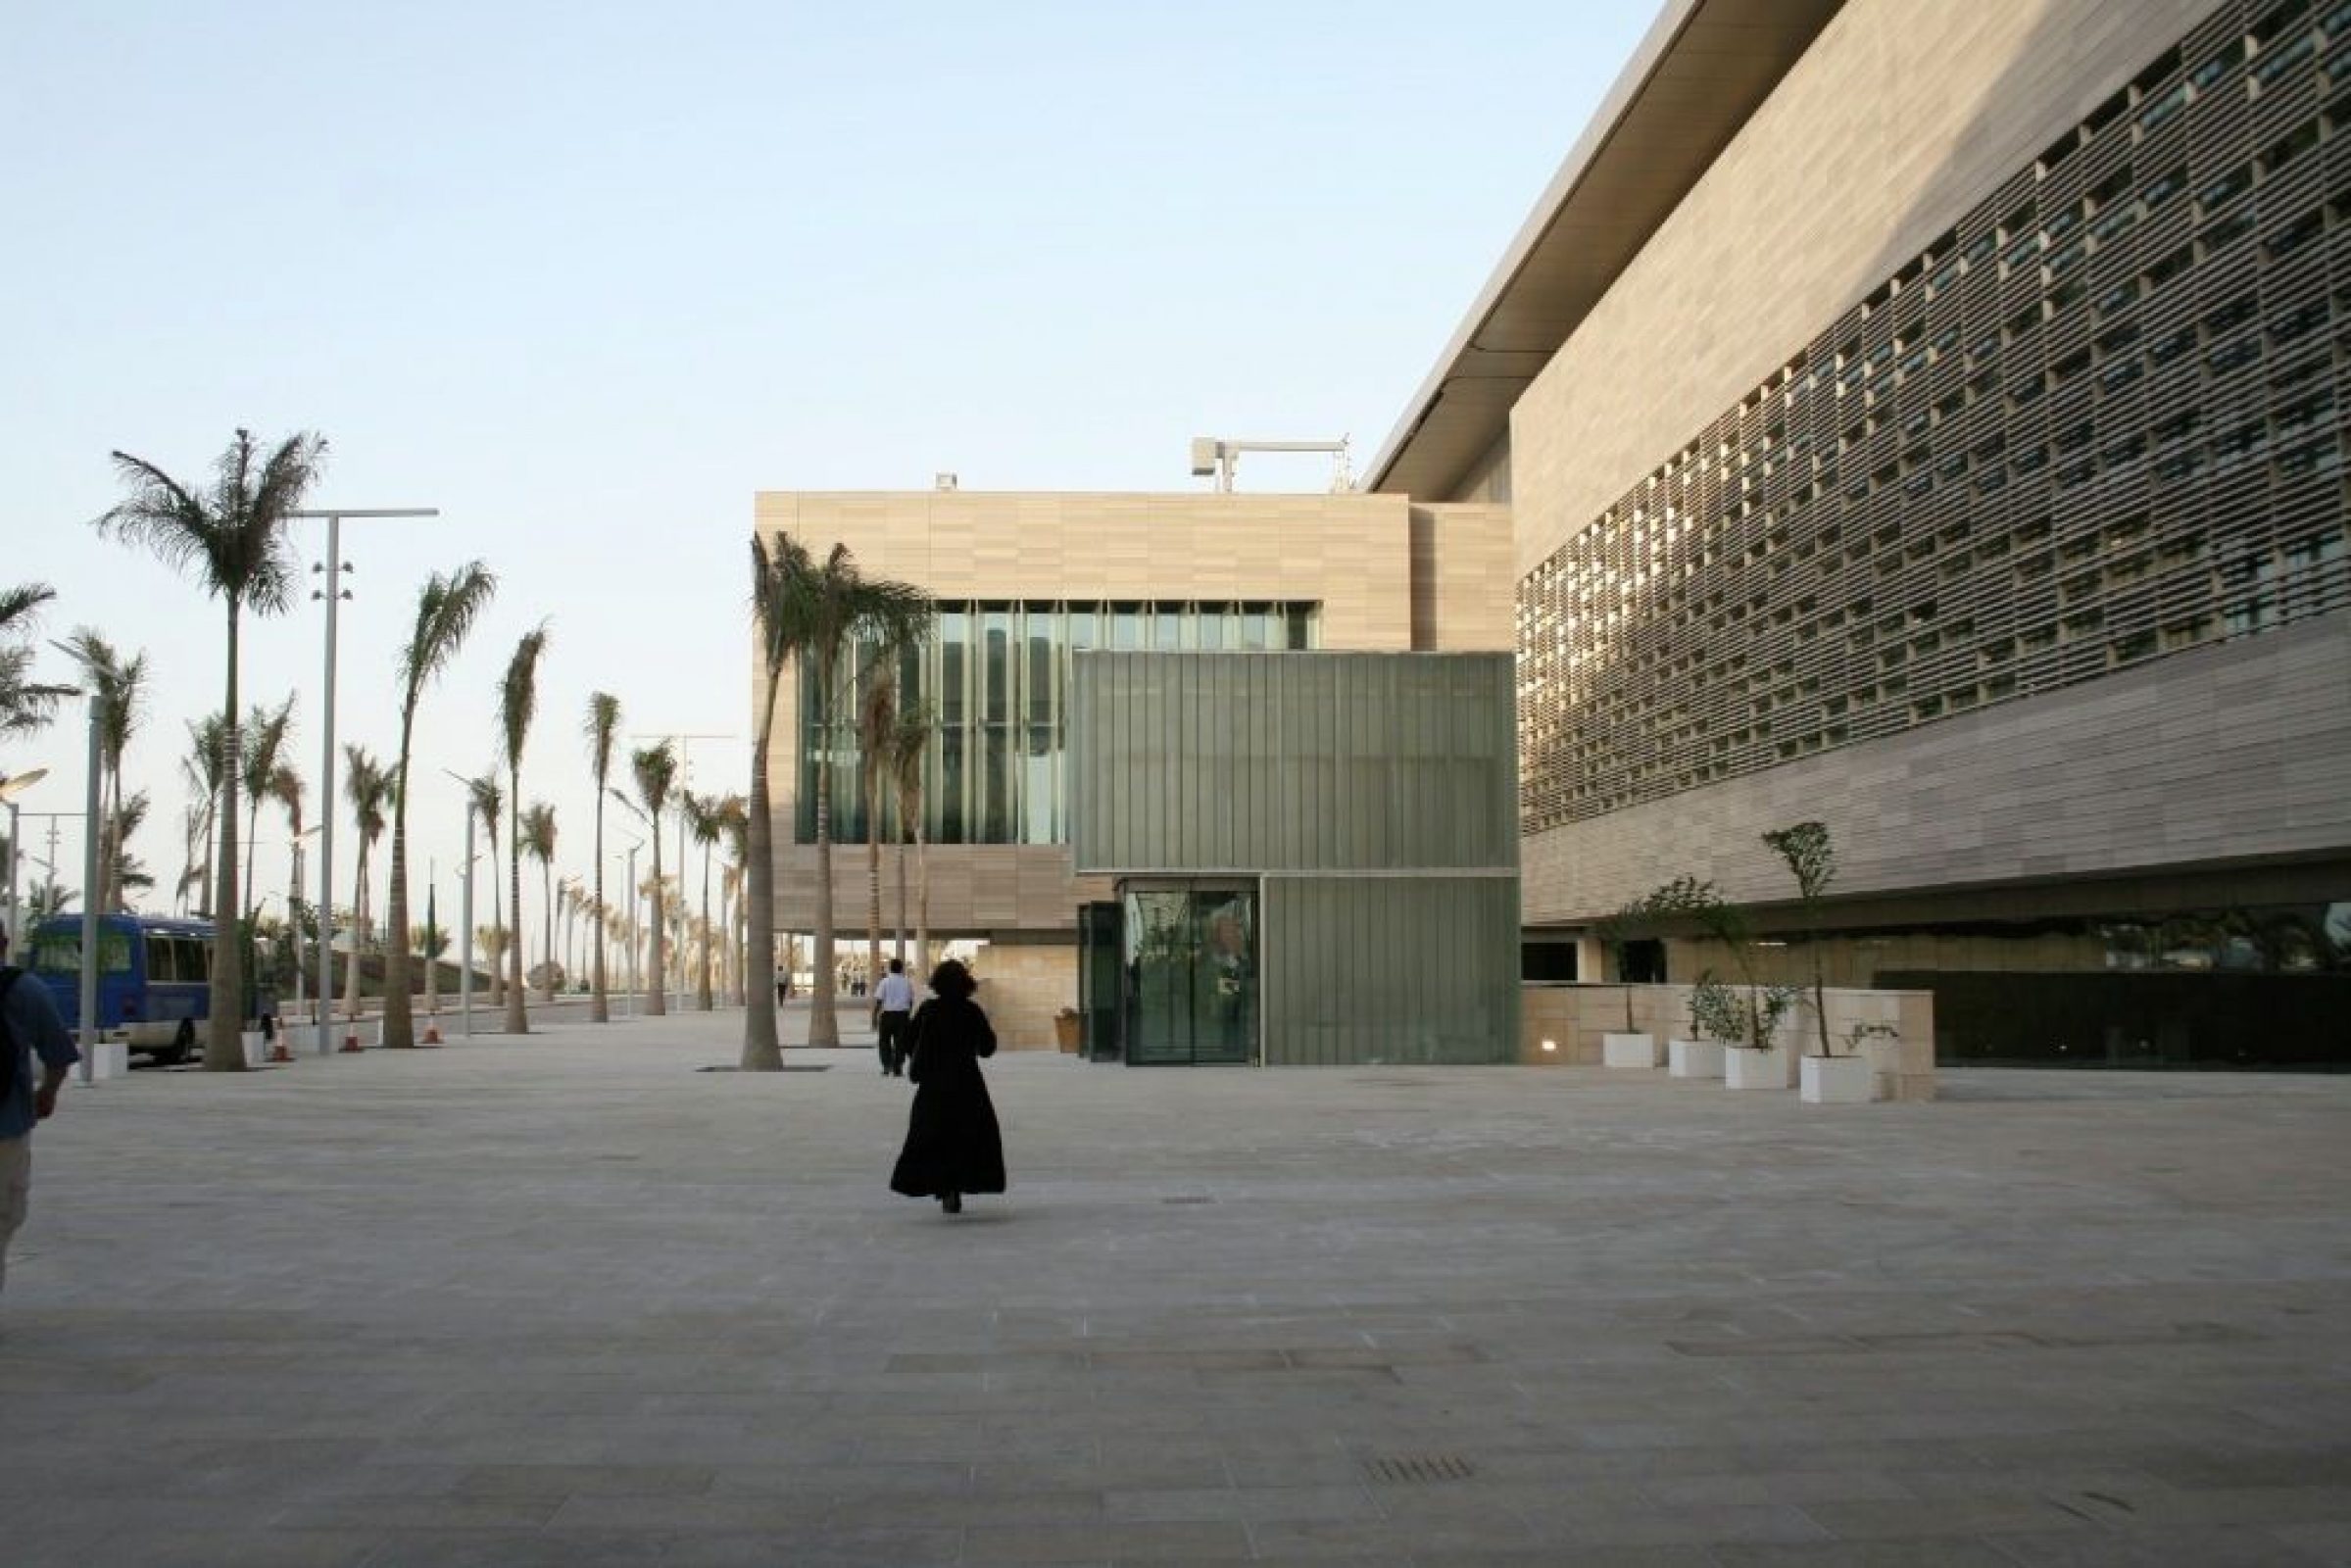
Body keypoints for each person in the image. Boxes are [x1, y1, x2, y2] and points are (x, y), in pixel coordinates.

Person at [888, 959, 1004, 1215]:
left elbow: (907, 1041)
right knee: (968, 1135)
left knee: (933, 1133)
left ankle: (943, 1185)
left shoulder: (929, 1010)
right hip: (967, 1083)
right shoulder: (971, 1011)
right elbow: (987, 1049)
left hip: (934, 1084)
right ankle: (958, 1184)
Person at [0, 925, 79, 1298]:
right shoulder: (26, 989)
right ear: (3, 944)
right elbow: (59, 1054)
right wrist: (47, 1093)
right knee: (5, 1214)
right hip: (6, 1127)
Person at [872, 956, 916, 1078]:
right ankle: (898, 1068)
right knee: (900, 1043)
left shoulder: (885, 982)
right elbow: (911, 1001)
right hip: (902, 1016)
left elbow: (879, 1001)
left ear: (890, 968)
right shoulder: (907, 982)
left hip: (887, 1016)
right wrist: (908, 1013)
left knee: (884, 1042)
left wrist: (874, 1017)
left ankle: (887, 1066)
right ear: (901, 969)